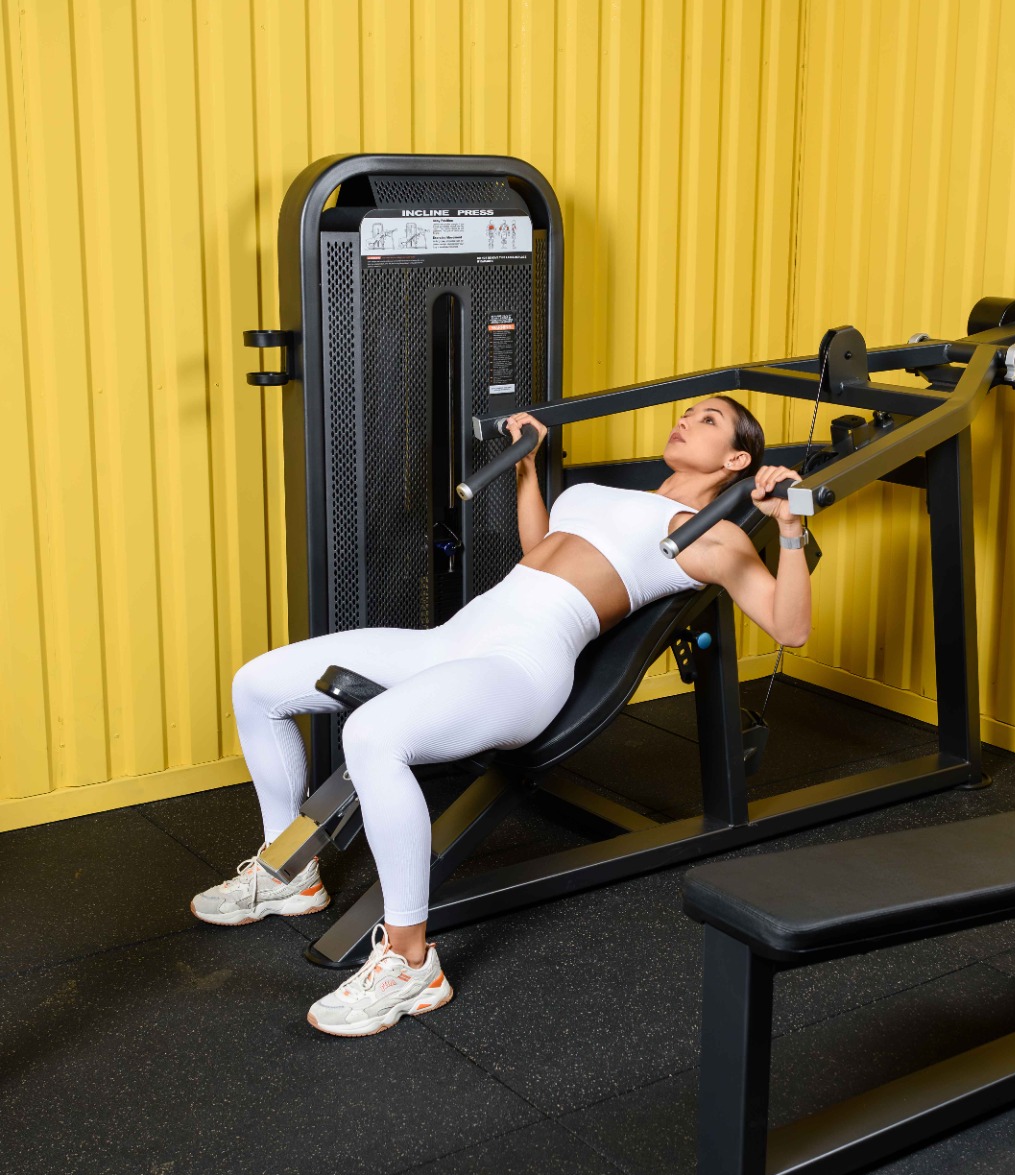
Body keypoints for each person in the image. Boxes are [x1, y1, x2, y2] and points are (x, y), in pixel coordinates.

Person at [191, 394, 812, 1037]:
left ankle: (410, 964)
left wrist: (789, 529)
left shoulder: (711, 533)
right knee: (256, 684)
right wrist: (527, 470)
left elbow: (789, 627)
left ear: (736, 460)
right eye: (687, 413)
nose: (684, 420)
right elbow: (540, 549)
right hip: (449, 642)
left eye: (708, 421)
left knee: (371, 735)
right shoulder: (594, 495)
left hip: (518, 669)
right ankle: (290, 876)